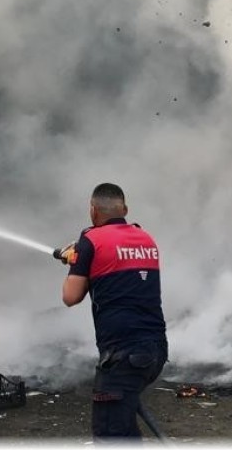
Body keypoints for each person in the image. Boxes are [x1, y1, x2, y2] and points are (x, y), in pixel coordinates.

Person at [61, 182, 167, 441]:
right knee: (124, 429)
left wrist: (74, 263)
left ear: (92, 210)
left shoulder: (90, 240)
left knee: (110, 435)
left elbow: (71, 296)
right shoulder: (145, 237)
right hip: (155, 351)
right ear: (125, 209)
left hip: (122, 356)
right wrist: (81, 260)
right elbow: (116, 270)